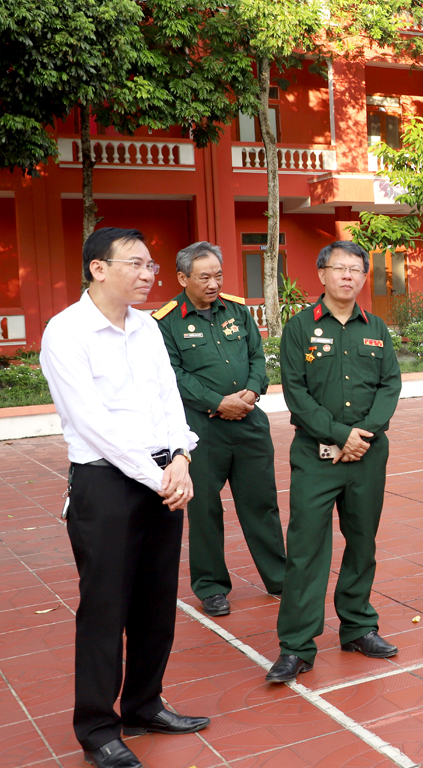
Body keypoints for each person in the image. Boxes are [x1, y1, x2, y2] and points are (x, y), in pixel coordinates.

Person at [40, 228, 208, 768]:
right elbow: (92, 423)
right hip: (107, 484)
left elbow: (169, 399)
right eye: (135, 264)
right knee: (105, 609)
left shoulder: (146, 328)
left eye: (150, 265)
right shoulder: (66, 332)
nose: (147, 274)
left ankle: (144, 704)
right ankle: (96, 728)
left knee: (156, 603)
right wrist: (156, 474)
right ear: (98, 268)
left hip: (162, 475)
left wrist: (181, 457)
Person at [265, 241, 403, 684]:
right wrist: (341, 434)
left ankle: (359, 627)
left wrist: (363, 435)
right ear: (321, 274)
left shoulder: (376, 328)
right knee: (305, 550)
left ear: (364, 277)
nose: (349, 276)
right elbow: (296, 394)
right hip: (316, 456)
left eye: (356, 270)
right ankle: (296, 646)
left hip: (367, 455)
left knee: (362, 543)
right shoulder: (300, 328)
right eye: (340, 268)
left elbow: (389, 385)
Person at [155, 242, 286, 617]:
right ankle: (212, 587)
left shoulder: (239, 311)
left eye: (218, 275)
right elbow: (173, 375)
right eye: (204, 277)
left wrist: (253, 389)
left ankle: (279, 575)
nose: (213, 284)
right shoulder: (165, 322)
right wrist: (218, 402)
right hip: (201, 431)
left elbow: (258, 356)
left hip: (250, 423)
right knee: (205, 509)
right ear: (183, 278)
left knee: (261, 503)